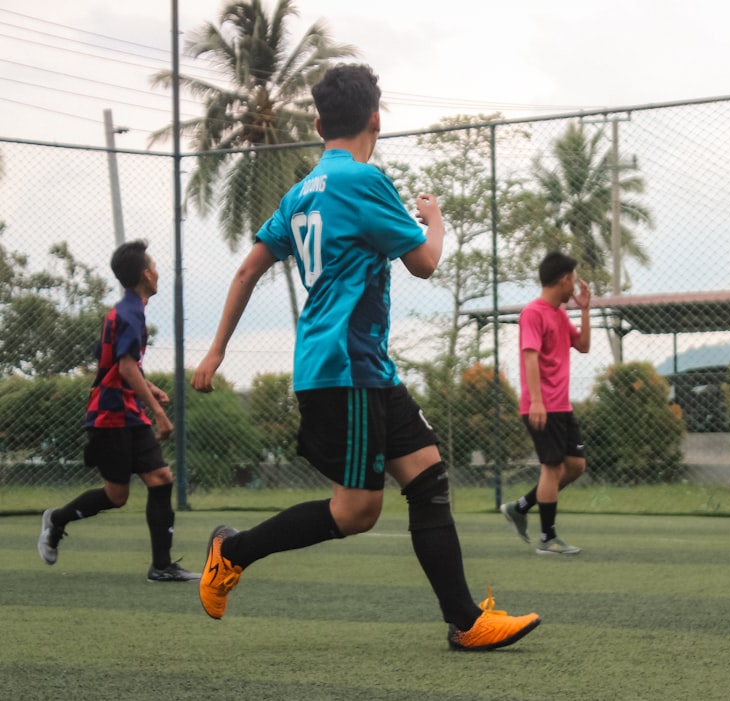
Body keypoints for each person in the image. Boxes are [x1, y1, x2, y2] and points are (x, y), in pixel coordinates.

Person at [190, 63, 540, 651]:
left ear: (320, 122)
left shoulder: (299, 192)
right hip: (344, 370)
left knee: (428, 476)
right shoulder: (364, 180)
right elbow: (425, 261)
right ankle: (233, 551)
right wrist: (435, 222)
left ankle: (466, 622)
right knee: (355, 512)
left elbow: (249, 267)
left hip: (363, 368)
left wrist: (218, 348)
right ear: (376, 119)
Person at [37, 240, 199, 582]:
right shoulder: (129, 313)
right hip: (110, 416)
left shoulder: (127, 311)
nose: (157, 272)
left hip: (127, 412)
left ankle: (161, 566)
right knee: (117, 496)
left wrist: (150, 389)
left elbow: (115, 365)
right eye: (153, 266)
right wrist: (159, 412)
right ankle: (57, 519)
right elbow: (125, 369)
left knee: (160, 479)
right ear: (145, 275)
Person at [500, 252, 590, 555]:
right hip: (541, 406)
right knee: (551, 468)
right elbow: (529, 355)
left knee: (575, 466)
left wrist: (586, 310)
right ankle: (547, 539)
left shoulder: (560, 314)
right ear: (564, 279)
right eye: (574, 281)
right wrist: (536, 401)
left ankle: (521, 507)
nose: (575, 287)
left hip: (561, 406)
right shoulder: (533, 313)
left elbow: (584, 346)